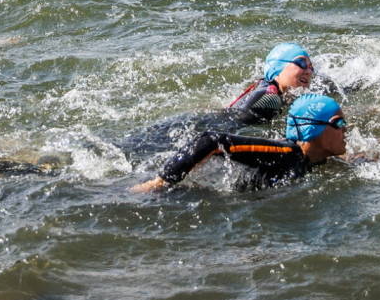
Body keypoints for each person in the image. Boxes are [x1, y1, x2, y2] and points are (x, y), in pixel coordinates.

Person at [115, 41, 320, 162]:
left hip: (202, 121)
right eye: (301, 63)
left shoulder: (265, 87)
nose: (308, 71)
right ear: (278, 67)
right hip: (204, 127)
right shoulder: (271, 99)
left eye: (311, 67)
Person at [129, 94, 351, 193]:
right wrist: (159, 183)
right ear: (316, 129)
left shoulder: (314, 158)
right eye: (339, 122)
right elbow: (211, 140)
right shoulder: (284, 152)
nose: (346, 128)